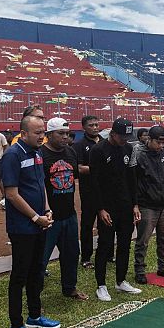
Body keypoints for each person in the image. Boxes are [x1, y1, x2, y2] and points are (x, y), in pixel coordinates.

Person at [1, 115, 61, 328]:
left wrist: (46, 209)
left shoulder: (37, 154)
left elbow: (40, 185)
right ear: (23, 134)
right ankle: (16, 326)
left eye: (43, 132)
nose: (42, 136)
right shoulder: (12, 156)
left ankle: (35, 316)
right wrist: (35, 217)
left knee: (37, 270)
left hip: (40, 223)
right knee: (20, 275)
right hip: (22, 227)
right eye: (37, 132)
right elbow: (12, 194)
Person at [89, 118, 142, 301]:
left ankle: (121, 281)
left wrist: (135, 204)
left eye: (128, 136)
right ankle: (101, 285)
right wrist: (100, 209)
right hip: (107, 207)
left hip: (125, 206)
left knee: (125, 244)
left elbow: (132, 178)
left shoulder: (129, 149)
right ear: (113, 134)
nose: (125, 140)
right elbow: (94, 183)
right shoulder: (98, 150)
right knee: (105, 245)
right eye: (122, 136)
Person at [39, 118, 87, 300]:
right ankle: (35, 297)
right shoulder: (41, 154)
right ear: (49, 135)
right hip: (49, 216)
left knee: (72, 253)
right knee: (41, 260)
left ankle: (69, 288)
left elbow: (73, 178)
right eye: (60, 133)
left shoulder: (71, 152)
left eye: (67, 133)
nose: (65, 137)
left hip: (69, 214)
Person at [132, 126, 164, 284]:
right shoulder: (139, 155)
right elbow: (133, 181)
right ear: (149, 139)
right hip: (147, 205)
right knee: (143, 240)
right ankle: (139, 270)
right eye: (158, 142)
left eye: (163, 142)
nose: (161, 146)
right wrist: (136, 204)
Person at [71, 115, 101, 269]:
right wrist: (100, 169)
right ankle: (86, 257)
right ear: (84, 127)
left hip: (105, 191)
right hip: (89, 192)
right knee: (88, 225)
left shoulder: (104, 141)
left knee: (107, 224)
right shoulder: (79, 145)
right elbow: (79, 168)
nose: (95, 127)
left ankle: (107, 253)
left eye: (96, 124)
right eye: (91, 125)